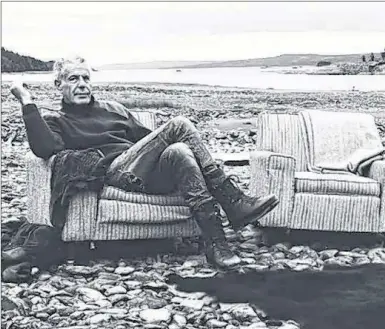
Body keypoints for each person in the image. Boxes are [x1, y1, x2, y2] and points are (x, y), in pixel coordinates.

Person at [10, 56, 279, 268]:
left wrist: (182, 152)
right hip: (114, 170)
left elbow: (152, 142)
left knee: (180, 152)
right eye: (72, 79)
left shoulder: (114, 110)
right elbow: (45, 149)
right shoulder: (56, 120)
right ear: (59, 85)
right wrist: (26, 101)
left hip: (144, 170)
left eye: (85, 78)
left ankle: (216, 244)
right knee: (180, 124)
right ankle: (233, 201)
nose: (81, 84)